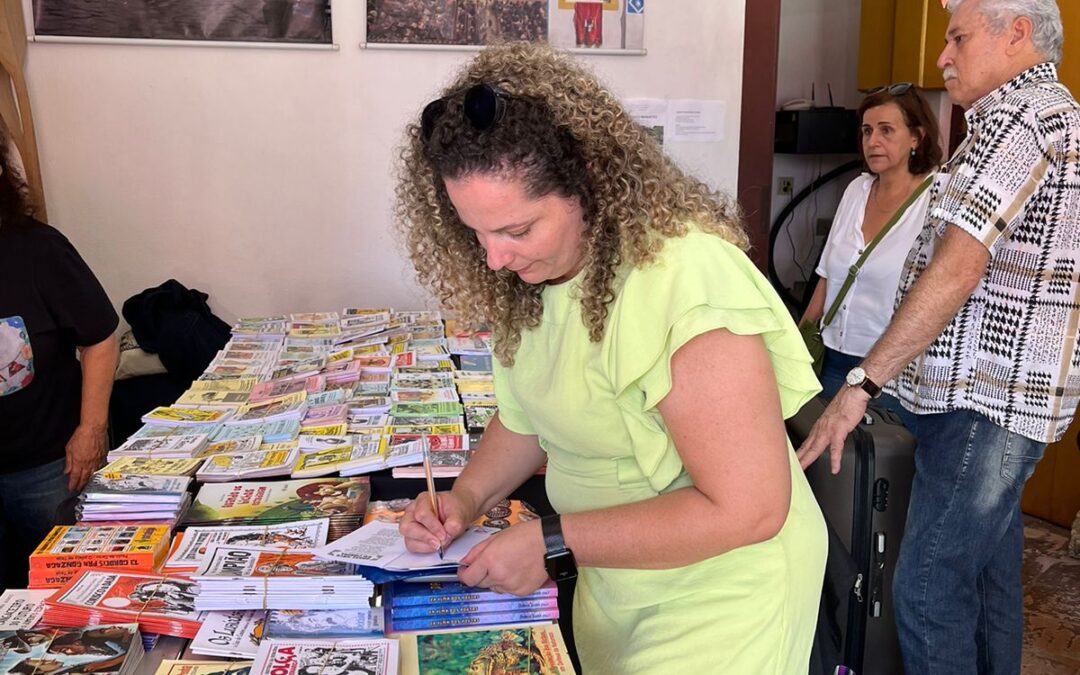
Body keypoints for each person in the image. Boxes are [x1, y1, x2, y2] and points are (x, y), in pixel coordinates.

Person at [395, 42, 826, 673]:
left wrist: (552, 543)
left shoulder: (685, 278)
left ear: (589, 185)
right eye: (474, 231)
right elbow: (526, 422)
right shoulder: (532, 284)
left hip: (724, 590)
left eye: (516, 230)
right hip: (618, 573)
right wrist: (464, 498)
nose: (493, 258)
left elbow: (751, 508)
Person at [796, 0, 1080, 672]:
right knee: (982, 583)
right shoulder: (1020, 118)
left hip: (986, 402)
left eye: (957, 37)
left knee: (927, 588)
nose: (942, 56)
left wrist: (864, 380)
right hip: (984, 397)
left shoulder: (1026, 114)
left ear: (1017, 34)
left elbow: (958, 265)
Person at [0, 131, 119, 589]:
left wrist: (90, 430)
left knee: (75, 592)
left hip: (49, 466)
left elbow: (100, 338)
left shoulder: (38, 249)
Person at [800, 84, 943, 430]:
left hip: (891, 373)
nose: (872, 141)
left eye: (886, 130)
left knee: (873, 475)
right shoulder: (857, 190)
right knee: (820, 470)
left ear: (917, 137)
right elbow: (826, 275)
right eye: (867, 130)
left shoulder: (937, 199)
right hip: (832, 359)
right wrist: (798, 345)